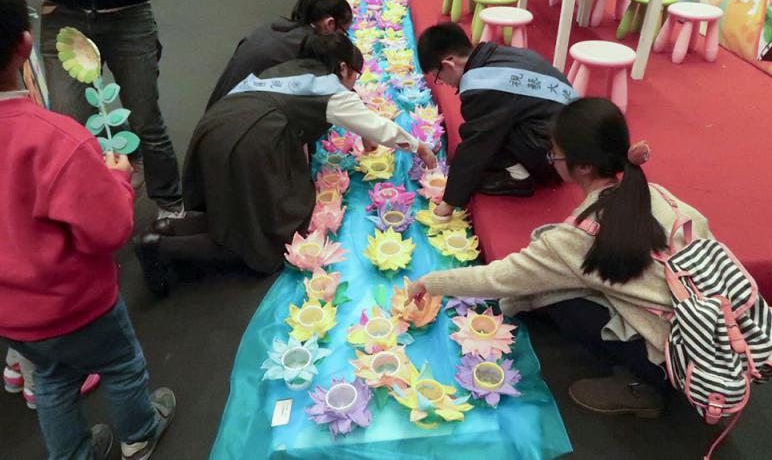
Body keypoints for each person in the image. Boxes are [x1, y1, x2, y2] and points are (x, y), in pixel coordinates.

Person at [408, 97, 713, 418]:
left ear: (583, 166)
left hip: (688, 360)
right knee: (556, 283)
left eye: (554, 153)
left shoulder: (578, 237)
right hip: (716, 328)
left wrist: (429, 283)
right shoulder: (658, 194)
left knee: (554, 296)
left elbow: (499, 278)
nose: (551, 160)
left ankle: (645, 385)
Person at [0, 0, 175, 460]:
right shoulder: (56, 139)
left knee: (54, 378)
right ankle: (139, 434)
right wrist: (117, 179)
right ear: (25, 45)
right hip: (76, 305)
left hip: (12, 316)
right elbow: (109, 230)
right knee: (121, 364)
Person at [135, 33, 438, 295]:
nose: (353, 86)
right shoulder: (331, 89)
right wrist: (420, 147)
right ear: (343, 67)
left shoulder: (295, 67)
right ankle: (162, 248)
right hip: (248, 141)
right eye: (354, 78)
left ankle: (170, 227)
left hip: (217, 125)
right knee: (265, 234)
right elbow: (377, 126)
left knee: (237, 209)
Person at [0, 0, 185, 220]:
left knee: (145, 119)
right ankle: (92, 211)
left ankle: (170, 203)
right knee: (70, 125)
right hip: (63, 15)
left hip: (129, 17)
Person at [416, 23, 576, 219]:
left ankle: (519, 177)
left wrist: (448, 203)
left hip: (556, 160)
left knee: (484, 134)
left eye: (437, 76)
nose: (443, 83)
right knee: (490, 125)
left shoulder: (482, 87)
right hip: (569, 136)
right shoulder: (497, 55)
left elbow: (476, 144)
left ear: (448, 64)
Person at [206, 0, 353, 109]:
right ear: (329, 24)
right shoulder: (304, 49)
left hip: (216, 110)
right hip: (239, 117)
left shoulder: (276, 28)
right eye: (344, 33)